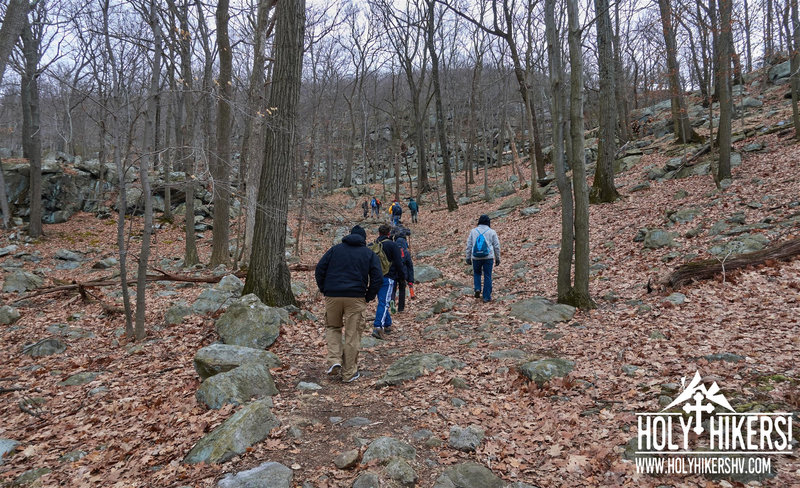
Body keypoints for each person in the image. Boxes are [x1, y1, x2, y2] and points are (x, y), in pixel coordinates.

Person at [315, 225, 382, 383]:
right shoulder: (369, 254)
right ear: (364, 239)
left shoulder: (335, 250)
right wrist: (368, 296)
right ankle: (349, 372)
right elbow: (378, 277)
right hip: (356, 298)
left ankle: (334, 360)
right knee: (353, 334)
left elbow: (319, 269)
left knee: (333, 327)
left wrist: (324, 288)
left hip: (333, 296)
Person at [372, 224, 405, 338]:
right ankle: (378, 327)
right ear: (389, 233)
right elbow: (399, 263)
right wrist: (402, 277)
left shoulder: (374, 245)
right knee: (384, 302)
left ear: (379, 233)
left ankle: (387, 324)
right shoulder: (392, 245)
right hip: (388, 277)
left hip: (374, 278)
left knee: (382, 300)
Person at [465, 214, 500, 303]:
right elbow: (496, 246)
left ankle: (477, 288)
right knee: (487, 276)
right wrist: (497, 258)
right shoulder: (492, 232)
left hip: (476, 257)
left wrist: (468, 257)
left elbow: (469, 245)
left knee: (477, 273)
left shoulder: (473, 231)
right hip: (488, 257)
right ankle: (486, 297)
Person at [391, 225, 415, 312]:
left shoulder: (392, 249)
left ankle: (392, 301)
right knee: (402, 290)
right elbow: (410, 266)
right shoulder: (406, 252)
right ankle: (401, 308)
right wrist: (410, 280)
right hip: (403, 274)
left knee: (392, 289)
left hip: (393, 273)